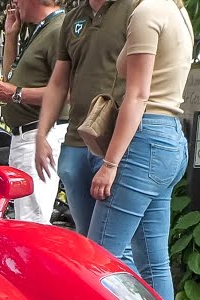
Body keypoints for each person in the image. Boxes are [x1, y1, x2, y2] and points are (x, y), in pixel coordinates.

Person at [85, 0, 193, 300]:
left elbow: (138, 94)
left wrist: (110, 163)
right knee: (154, 264)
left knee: (97, 260)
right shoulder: (176, 12)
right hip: (170, 137)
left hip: (145, 139)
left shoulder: (148, 13)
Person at [34, 0, 141, 247]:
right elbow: (58, 83)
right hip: (76, 142)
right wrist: (41, 136)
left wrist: (112, 161)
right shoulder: (72, 19)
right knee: (89, 242)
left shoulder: (133, 8)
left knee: (114, 247)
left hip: (116, 143)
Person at [0, 0, 68, 224]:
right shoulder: (40, 30)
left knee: (33, 219)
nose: (14, 4)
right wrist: (11, 36)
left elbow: (69, 91)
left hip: (39, 134)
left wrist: (16, 94)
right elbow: (11, 78)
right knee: (26, 215)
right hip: (25, 135)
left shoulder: (58, 29)